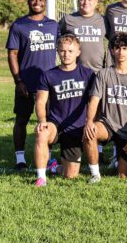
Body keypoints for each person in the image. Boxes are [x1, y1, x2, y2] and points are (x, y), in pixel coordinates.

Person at [83, 33, 127, 182]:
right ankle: (95, 174)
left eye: (124, 48)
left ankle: (120, 159)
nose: (121, 52)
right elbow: (94, 101)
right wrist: (89, 122)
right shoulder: (103, 74)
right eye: (117, 48)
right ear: (112, 50)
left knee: (124, 177)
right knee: (90, 133)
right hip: (107, 125)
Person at [6, 0, 58, 170]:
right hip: (26, 83)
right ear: (28, 2)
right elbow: (12, 54)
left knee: (48, 121)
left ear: (45, 2)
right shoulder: (19, 25)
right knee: (22, 119)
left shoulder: (53, 25)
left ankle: (49, 157)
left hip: (48, 85)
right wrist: (18, 80)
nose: (37, 3)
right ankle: (20, 158)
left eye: (41, 0)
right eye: (34, 0)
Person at [32, 34, 94, 186]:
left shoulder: (88, 74)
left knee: (71, 175)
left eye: (70, 51)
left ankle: (54, 167)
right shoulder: (49, 75)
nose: (66, 54)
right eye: (62, 51)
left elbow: (94, 101)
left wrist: (90, 121)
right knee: (42, 133)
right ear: (58, 51)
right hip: (56, 125)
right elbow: (40, 102)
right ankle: (41, 178)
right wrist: (42, 121)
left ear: (78, 52)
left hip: (76, 128)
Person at [58, 0, 106, 72]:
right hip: (75, 72)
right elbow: (56, 39)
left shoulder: (103, 20)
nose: (86, 2)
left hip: (98, 72)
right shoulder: (68, 20)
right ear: (78, 1)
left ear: (96, 1)